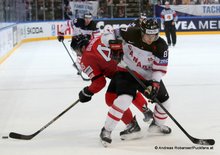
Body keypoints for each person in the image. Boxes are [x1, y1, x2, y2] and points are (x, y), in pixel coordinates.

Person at [100, 18, 171, 146]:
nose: (151, 38)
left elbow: (159, 69)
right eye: (148, 35)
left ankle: (156, 126)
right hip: (127, 71)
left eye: (154, 35)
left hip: (148, 76)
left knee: (165, 102)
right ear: (142, 31)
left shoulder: (161, 46)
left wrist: (154, 84)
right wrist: (112, 44)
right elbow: (107, 31)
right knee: (123, 99)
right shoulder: (131, 32)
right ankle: (106, 131)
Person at [70, 32, 153, 141]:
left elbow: (99, 83)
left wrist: (87, 92)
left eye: (77, 51)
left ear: (82, 47)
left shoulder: (86, 58)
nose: (77, 54)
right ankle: (145, 109)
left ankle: (132, 125)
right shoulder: (98, 38)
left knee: (111, 98)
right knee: (128, 91)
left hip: (121, 72)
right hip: (133, 64)